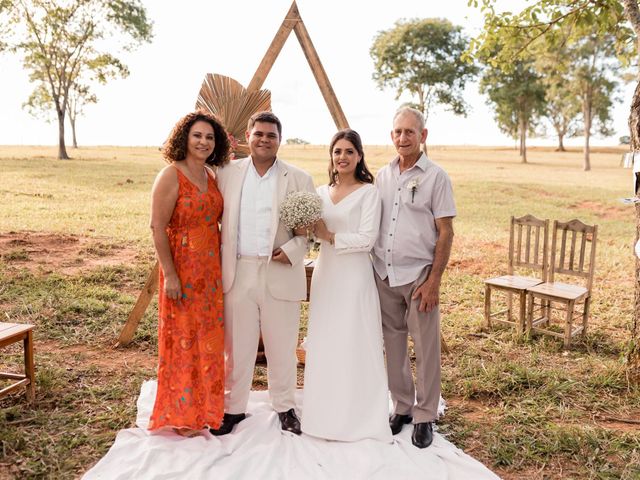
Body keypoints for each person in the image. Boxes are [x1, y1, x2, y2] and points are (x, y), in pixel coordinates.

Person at [211, 111, 315, 436]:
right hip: (238, 270)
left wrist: (293, 252)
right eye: (259, 134)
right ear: (247, 136)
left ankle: (285, 407)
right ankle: (233, 409)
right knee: (237, 346)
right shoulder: (227, 173)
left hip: (279, 270)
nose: (265, 140)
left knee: (282, 346)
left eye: (271, 135)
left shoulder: (297, 178)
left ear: (279, 140)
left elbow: (307, 233)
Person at [301, 129, 392, 443]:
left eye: (349, 152)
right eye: (337, 151)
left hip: (354, 276)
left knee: (354, 338)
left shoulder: (369, 193)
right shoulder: (320, 192)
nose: (342, 157)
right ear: (331, 155)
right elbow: (314, 235)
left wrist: (329, 236)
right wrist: (310, 231)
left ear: (359, 156)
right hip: (327, 273)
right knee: (326, 338)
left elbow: (368, 239)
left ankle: (359, 414)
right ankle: (323, 411)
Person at [373, 107, 456, 449]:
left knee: (425, 347)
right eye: (397, 132)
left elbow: (446, 231)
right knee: (392, 344)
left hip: (420, 275)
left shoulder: (436, 177)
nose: (403, 138)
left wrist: (434, 280)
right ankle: (403, 406)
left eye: (410, 132)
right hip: (384, 272)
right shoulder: (382, 175)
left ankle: (425, 415)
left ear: (423, 136)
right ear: (391, 136)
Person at [148, 111, 231, 437]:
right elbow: (157, 227)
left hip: (210, 274)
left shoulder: (211, 175)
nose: (203, 142)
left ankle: (207, 409)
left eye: (209, 137)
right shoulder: (170, 175)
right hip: (181, 270)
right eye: (197, 135)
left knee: (208, 343)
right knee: (183, 343)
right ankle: (183, 416)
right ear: (184, 138)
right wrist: (170, 274)